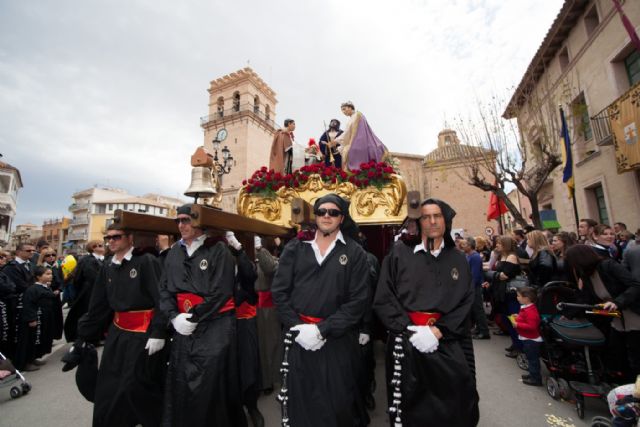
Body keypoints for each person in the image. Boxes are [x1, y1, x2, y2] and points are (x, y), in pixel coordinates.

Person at [374, 198, 479, 427]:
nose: (432, 221)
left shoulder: (458, 259)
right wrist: (410, 330)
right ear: (418, 222)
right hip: (407, 344)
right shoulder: (399, 254)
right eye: (425, 216)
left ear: (446, 220)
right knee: (409, 408)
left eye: (437, 216)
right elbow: (384, 298)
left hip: (448, 343)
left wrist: (438, 332)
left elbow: (466, 301)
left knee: (455, 404)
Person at [271, 193, 370, 427]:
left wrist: (322, 330)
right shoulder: (295, 248)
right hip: (299, 339)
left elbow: (358, 301)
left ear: (341, 217)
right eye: (321, 211)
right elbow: (280, 292)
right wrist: (298, 328)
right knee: (301, 402)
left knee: (338, 403)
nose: (326, 216)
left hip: (337, 341)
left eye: (333, 212)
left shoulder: (355, 253)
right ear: (315, 216)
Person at [66, 223, 167, 427]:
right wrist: (83, 338)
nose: (111, 241)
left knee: (135, 385)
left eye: (116, 237)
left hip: (143, 335)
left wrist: (159, 331)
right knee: (109, 384)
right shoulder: (108, 266)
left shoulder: (146, 261)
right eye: (108, 238)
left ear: (130, 238)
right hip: (118, 333)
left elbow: (162, 299)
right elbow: (98, 306)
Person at [159, 204, 246, 427]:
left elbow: (221, 292)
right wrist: (173, 317)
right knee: (180, 382)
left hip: (215, 327)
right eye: (178, 221)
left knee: (210, 385)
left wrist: (194, 316)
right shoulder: (174, 253)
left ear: (199, 222)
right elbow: (165, 289)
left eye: (186, 220)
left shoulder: (219, 250)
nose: (181, 225)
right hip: (183, 328)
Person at [565, 244, 640, 382]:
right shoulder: (587, 274)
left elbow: (635, 285)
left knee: (634, 353)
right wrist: (569, 313)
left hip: (633, 313)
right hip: (616, 318)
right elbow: (587, 298)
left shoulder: (608, 265)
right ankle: (624, 382)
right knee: (617, 352)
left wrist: (617, 302)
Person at [226, 231, 264, 427]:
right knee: (230, 370)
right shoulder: (217, 258)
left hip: (244, 321)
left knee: (248, 367)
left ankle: (252, 406)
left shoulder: (244, 260)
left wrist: (239, 250)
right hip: (224, 324)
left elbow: (249, 275)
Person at [482, 236, 522, 355]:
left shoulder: (512, 257)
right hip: (501, 291)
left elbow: (505, 275)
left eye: (499, 243)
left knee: (513, 319)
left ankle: (519, 346)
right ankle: (515, 343)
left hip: (510, 293)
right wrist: (493, 279)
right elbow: (500, 275)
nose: (496, 245)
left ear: (505, 245)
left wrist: (490, 274)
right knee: (506, 318)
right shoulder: (503, 256)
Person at [254, 235, 281, 395]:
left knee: (268, 345)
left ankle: (269, 380)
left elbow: (269, 267)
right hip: (249, 307)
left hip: (266, 308)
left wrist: (259, 250)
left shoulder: (273, 260)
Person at [19, 266, 60, 369]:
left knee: (40, 339)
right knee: (31, 340)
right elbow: (28, 304)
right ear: (38, 277)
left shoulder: (45, 287)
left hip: (45, 317)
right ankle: (26, 362)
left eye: (51, 274)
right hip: (36, 317)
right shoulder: (33, 289)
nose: (50, 276)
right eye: (47, 274)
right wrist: (31, 319)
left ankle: (33, 358)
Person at [64, 240, 105, 342]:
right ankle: (87, 338)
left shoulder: (102, 260)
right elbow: (91, 277)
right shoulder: (88, 260)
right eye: (99, 245)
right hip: (88, 292)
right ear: (93, 248)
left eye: (102, 245)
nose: (102, 247)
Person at [2, 243, 35, 361]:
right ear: (19, 252)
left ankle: (30, 356)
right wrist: (35, 289)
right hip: (16, 304)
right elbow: (19, 285)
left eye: (33, 250)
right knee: (19, 333)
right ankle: (20, 360)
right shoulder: (11, 267)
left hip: (29, 302)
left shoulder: (30, 265)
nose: (31, 252)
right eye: (28, 250)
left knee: (30, 333)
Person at [334, 101, 388, 172]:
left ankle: (356, 170)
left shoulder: (357, 115)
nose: (343, 112)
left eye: (344, 109)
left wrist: (336, 140)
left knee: (349, 151)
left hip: (360, 140)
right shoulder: (352, 118)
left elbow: (348, 132)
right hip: (355, 139)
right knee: (345, 150)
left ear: (350, 107)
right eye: (342, 110)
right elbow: (348, 132)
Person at [510, 287, 543, 386]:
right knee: (530, 358)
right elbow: (525, 319)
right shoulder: (527, 307)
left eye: (519, 296)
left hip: (531, 340)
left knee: (533, 360)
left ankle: (536, 379)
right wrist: (518, 317)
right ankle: (532, 374)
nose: (517, 298)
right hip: (527, 338)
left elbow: (532, 326)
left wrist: (518, 324)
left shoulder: (530, 311)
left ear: (527, 298)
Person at [461, 237, 490, 340]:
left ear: (470, 245)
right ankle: (479, 328)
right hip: (471, 287)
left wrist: (470, 289)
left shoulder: (475, 257)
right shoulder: (469, 256)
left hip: (475, 288)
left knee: (478, 310)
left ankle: (484, 331)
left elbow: (475, 275)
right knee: (474, 309)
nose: (462, 247)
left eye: (464, 245)